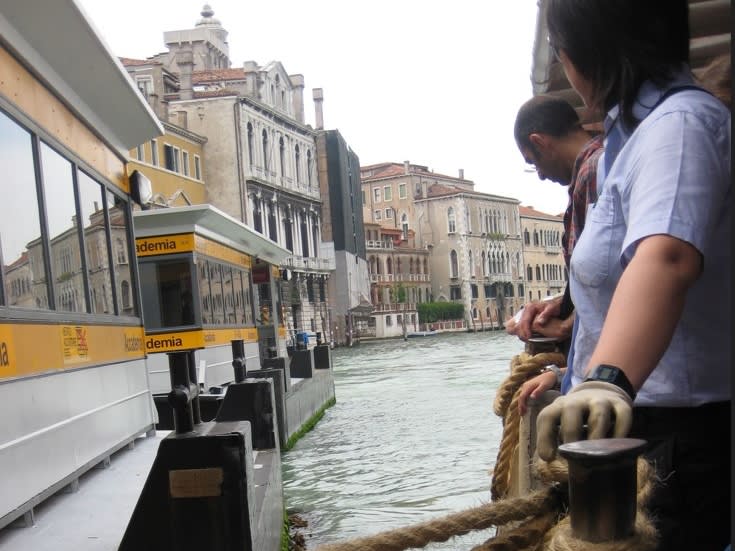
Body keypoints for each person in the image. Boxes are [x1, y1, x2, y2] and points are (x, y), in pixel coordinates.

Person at [536, 2, 730, 550]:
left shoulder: (679, 126)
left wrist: (605, 382)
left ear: (580, 53)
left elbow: (666, 257)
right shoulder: (637, 139)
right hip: (652, 429)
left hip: (678, 439)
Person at [506, 95, 603, 414]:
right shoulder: (596, 167)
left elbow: (610, 283)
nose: (541, 175)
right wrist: (555, 306)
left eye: (533, 162)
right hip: (592, 378)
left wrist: (565, 327)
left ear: (539, 142)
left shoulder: (594, 172)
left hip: (609, 387)